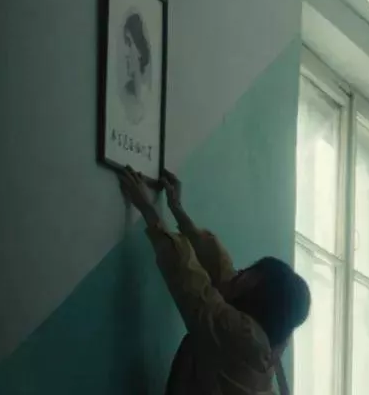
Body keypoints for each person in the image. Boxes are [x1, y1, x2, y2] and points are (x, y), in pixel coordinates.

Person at [116, 166, 310, 394]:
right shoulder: (267, 339)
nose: (238, 272)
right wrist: (178, 211)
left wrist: (148, 209)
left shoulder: (238, 333)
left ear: (254, 287)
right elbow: (222, 270)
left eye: (247, 273)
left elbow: (189, 280)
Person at [119, 11, 152, 125]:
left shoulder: (142, 93)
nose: (127, 53)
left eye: (130, 43)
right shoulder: (127, 90)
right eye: (127, 43)